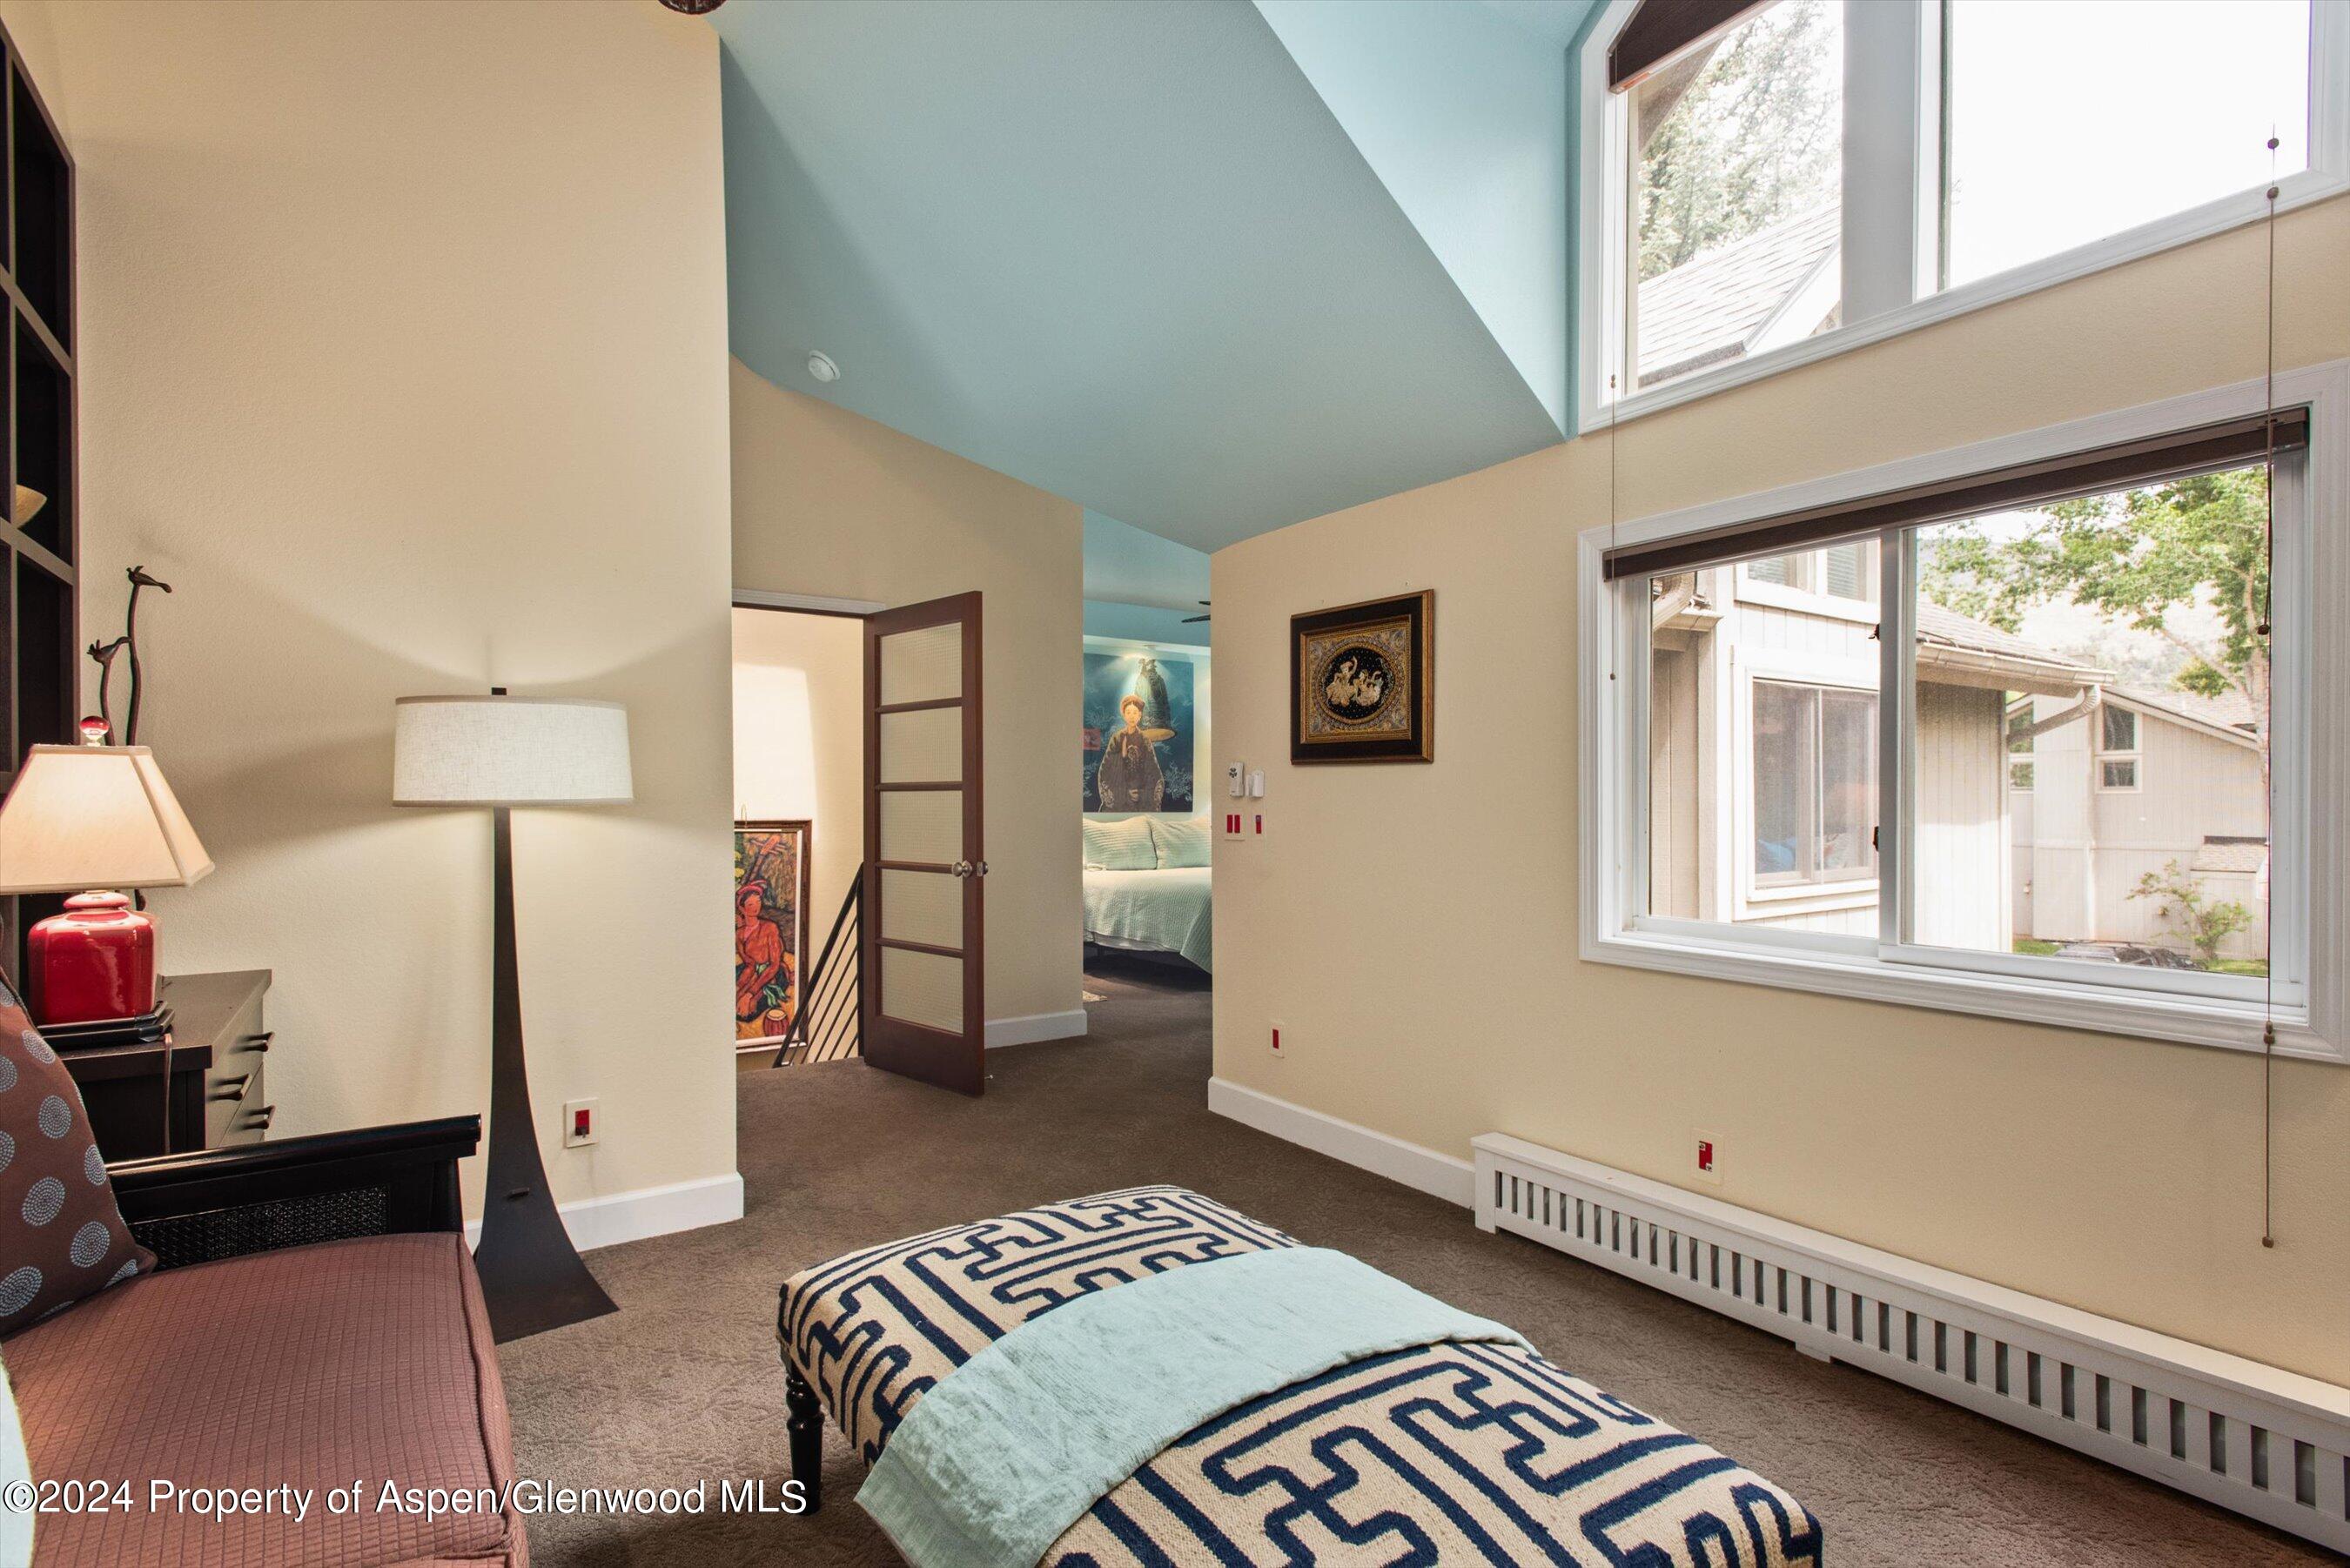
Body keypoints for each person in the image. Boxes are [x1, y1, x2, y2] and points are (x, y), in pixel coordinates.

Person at [1096, 693, 1165, 811]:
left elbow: (1153, 771)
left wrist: (1142, 794)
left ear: (1140, 715)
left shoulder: (1145, 739)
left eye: (1135, 713)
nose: (1132, 716)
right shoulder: (1117, 738)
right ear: (1124, 715)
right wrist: (1124, 792)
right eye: (1128, 712)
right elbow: (1106, 770)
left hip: (1140, 795)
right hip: (1120, 793)